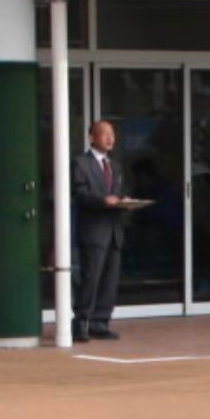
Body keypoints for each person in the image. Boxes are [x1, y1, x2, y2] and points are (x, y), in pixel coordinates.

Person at [72, 120, 129, 341]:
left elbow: (120, 191)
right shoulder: (80, 163)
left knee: (109, 280)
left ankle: (101, 322)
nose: (110, 139)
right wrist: (103, 201)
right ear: (91, 137)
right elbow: (80, 195)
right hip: (93, 231)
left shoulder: (115, 166)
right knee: (91, 278)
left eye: (112, 134)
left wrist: (125, 200)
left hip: (114, 231)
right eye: (105, 134)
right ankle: (81, 323)